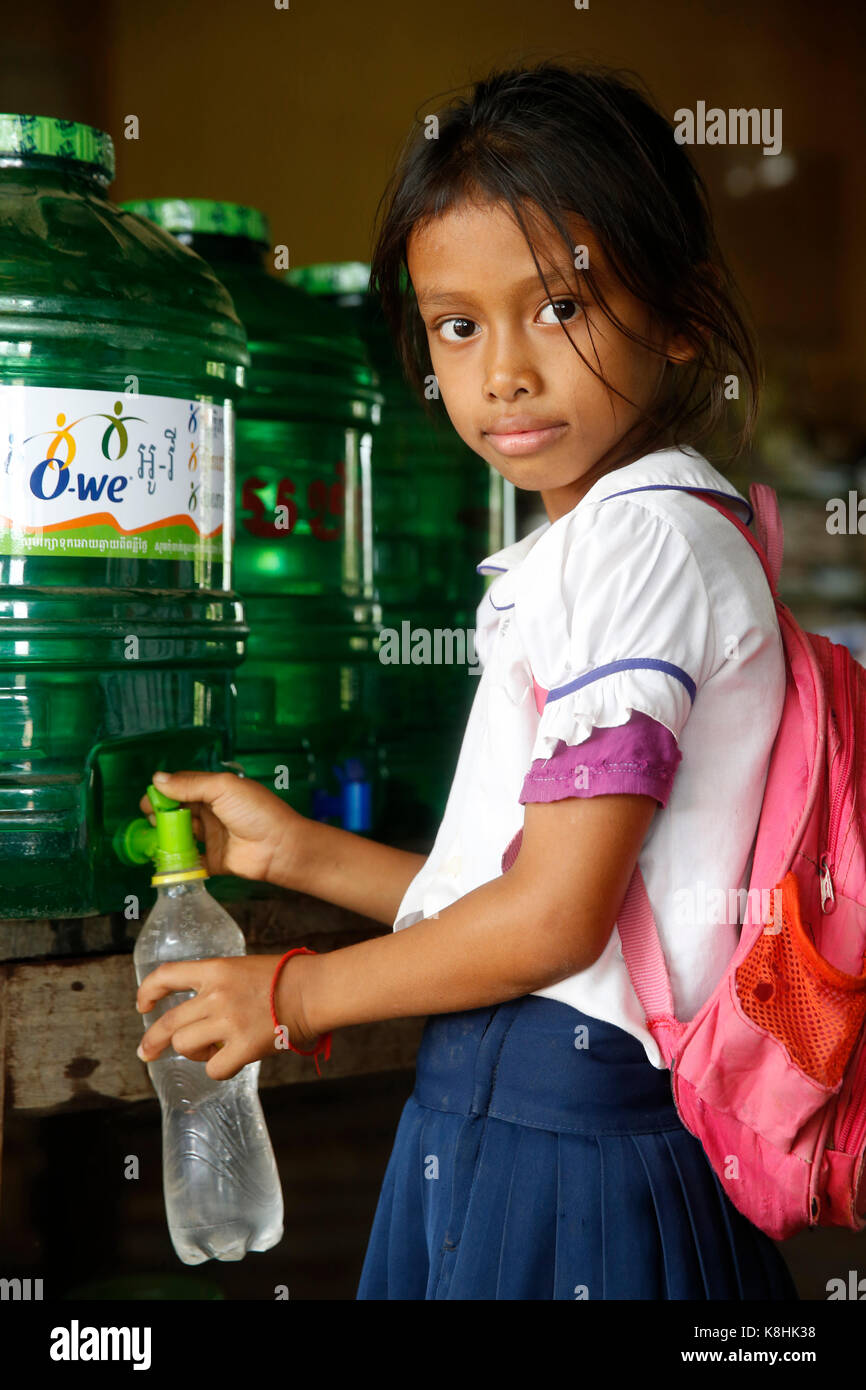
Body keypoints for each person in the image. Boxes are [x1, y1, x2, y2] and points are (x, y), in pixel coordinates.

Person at [135, 60, 799, 1301]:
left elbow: (552, 924)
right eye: (456, 323)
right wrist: (300, 856)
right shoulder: (599, 544)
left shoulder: (640, 542)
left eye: (557, 307)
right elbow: (520, 905)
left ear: (679, 316)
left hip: (574, 1160)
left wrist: (293, 993)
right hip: (508, 1126)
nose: (500, 369)